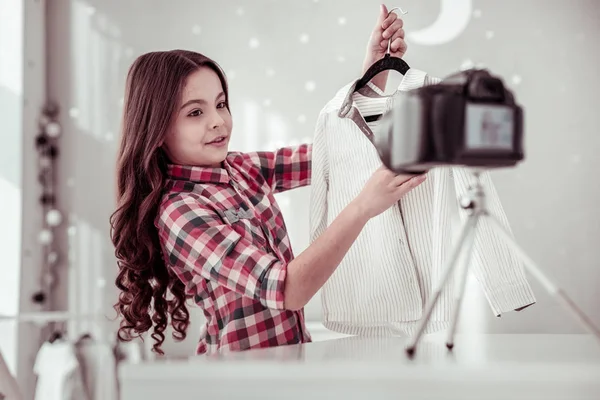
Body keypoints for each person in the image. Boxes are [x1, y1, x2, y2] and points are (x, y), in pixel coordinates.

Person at [110, 4, 426, 355]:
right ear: (157, 130)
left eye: (221, 104)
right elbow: (289, 290)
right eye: (195, 112)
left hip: (288, 363)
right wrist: (363, 208)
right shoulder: (180, 213)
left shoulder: (241, 169)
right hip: (242, 380)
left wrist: (374, 71)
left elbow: (335, 152)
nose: (218, 121)